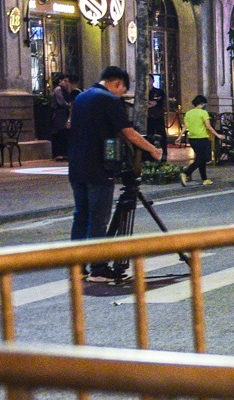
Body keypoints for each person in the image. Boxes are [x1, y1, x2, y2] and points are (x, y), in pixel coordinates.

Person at [69, 66, 165, 278]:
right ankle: (98, 268)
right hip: (99, 168)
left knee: (81, 216)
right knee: (98, 219)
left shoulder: (81, 98)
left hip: (76, 167)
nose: (121, 95)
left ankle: (76, 267)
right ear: (117, 83)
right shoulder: (109, 100)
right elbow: (129, 133)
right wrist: (153, 150)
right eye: (122, 90)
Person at [181, 94, 217, 185]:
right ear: (202, 104)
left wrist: (179, 136)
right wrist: (217, 134)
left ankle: (205, 179)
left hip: (192, 138)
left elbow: (185, 127)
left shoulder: (188, 113)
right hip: (202, 137)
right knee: (201, 159)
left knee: (201, 158)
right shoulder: (203, 113)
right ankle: (186, 173)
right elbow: (208, 126)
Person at [48, 74, 78, 161]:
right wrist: (70, 105)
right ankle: (58, 154)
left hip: (64, 114)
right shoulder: (58, 90)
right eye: (64, 81)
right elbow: (62, 102)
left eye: (67, 81)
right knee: (59, 133)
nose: (65, 83)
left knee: (64, 133)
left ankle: (64, 153)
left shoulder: (67, 90)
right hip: (59, 114)